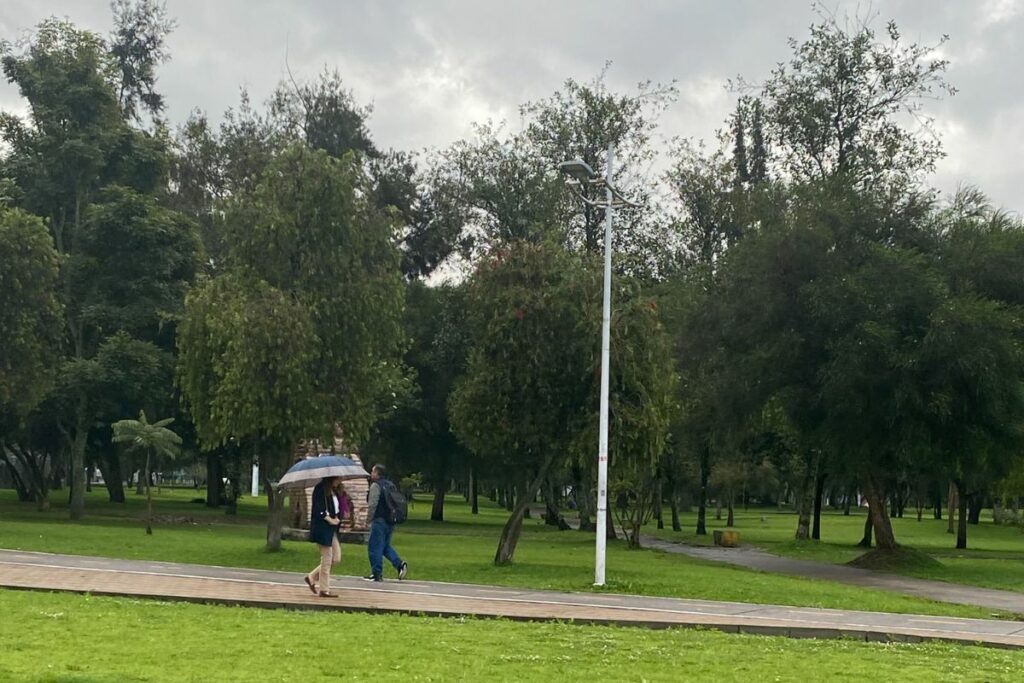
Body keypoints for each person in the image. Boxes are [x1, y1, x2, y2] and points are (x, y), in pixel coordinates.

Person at [364, 464, 407, 582]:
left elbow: (373, 504)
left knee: (375, 547)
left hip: (379, 520)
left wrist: (368, 519)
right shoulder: (390, 485)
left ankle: (376, 573)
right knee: (385, 546)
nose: (371, 473)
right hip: (390, 520)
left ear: (377, 473)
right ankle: (399, 564)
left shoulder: (375, 486)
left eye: (373, 471)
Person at [305, 476, 344, 597]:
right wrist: (329, 519)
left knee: (336, 558)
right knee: (327, 558)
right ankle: (324, 589)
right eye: (338, 478)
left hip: (331, 530)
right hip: (322, 528)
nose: (340, 481)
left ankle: (312, 576)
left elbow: (335, 508)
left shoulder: (334, 491)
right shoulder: (320, 489)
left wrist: (337, 518)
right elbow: (318, 510)